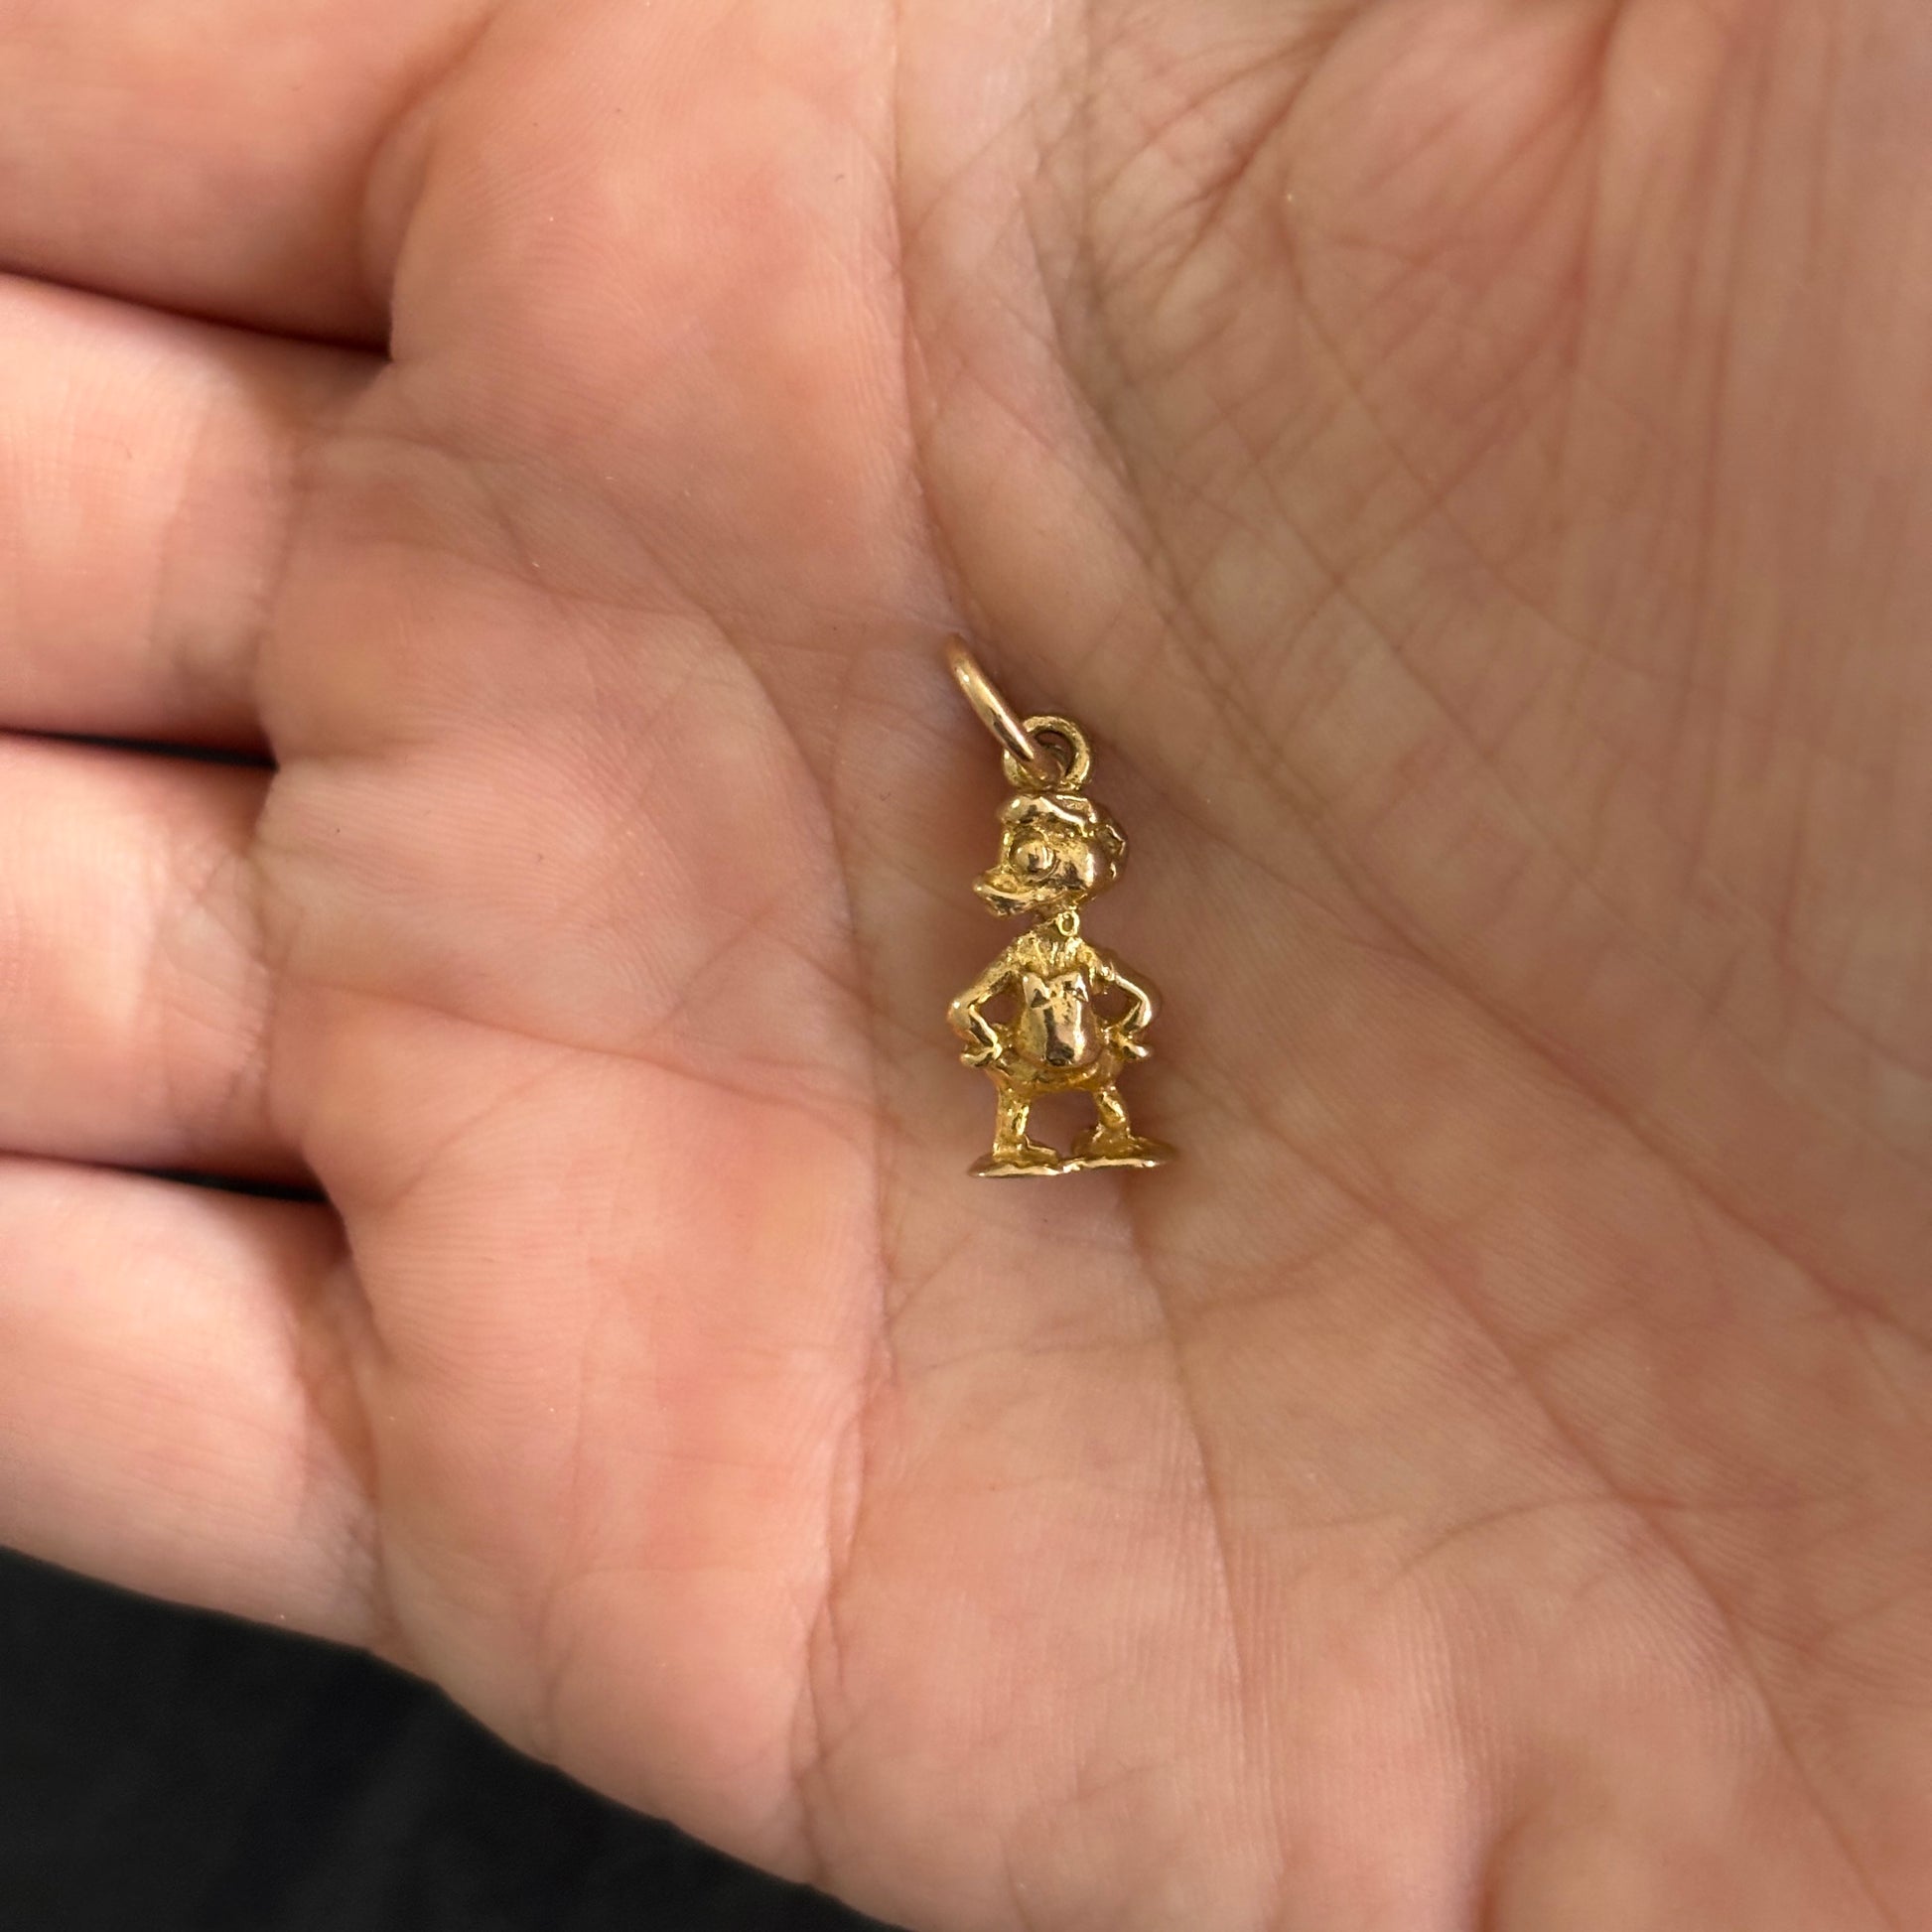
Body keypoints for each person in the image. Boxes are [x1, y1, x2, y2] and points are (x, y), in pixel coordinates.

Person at [1, 2, 1927, 1926]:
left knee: (1055, 1043)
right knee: (1039, 1044)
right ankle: (1051, 1111)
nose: (1038, 845)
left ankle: (1060, 1111)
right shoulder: (1031, 850)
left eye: (1045, 833)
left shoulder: (1058, 850)